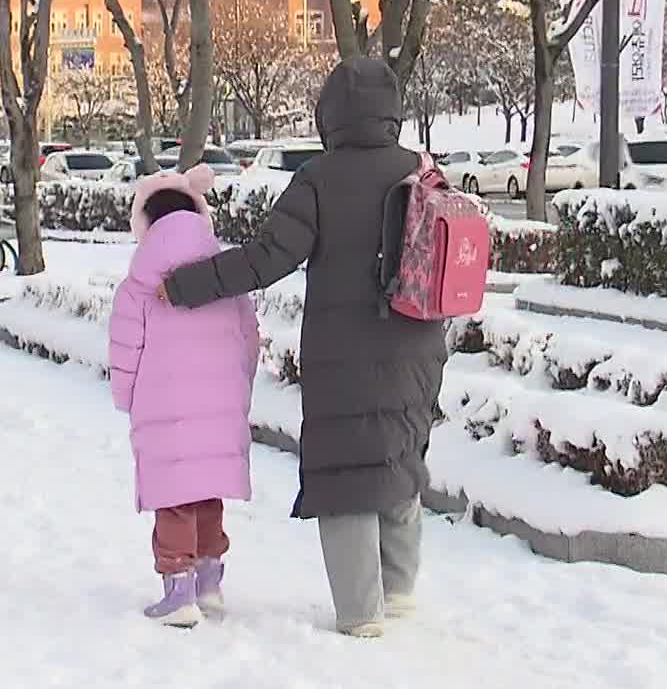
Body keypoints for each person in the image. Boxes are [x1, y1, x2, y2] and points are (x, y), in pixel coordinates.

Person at [160, 58, 445, 638]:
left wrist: (185, 284)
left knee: (348, 473)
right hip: (418, 343)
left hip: (344, 353)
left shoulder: (320, 178)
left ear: (331, 116)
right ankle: (400, 590)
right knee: (398, 458)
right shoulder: (421, 171)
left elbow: (267, 260)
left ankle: (362, 611)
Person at [109, 163, 258, 628]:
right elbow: (249, 341)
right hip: (221, 406)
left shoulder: (137, 287)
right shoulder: (224, 277)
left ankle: (179, 592)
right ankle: (210, 584)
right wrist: (239, 389)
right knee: (207, 490)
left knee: (174, 496)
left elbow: (125, 351)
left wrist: (127, 397)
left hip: (163, 408)